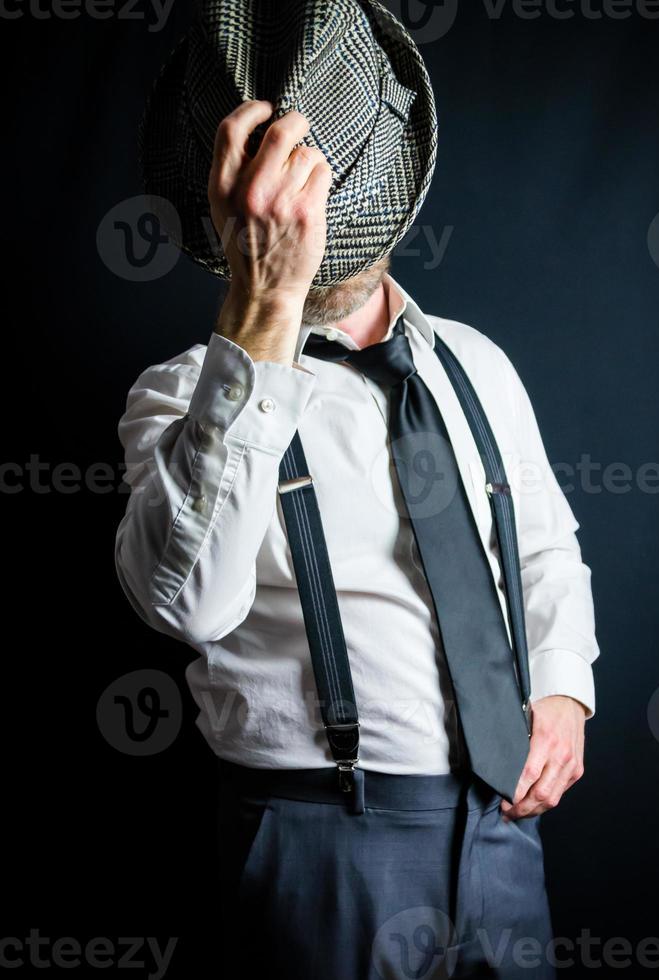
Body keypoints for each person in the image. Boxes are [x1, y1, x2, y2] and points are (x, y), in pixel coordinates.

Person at [116, 3, 599, 977]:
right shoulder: (180, 393)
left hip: (503, 827)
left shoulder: (475, 361)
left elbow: (542, 543)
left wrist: (562, 686)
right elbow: (183, 602)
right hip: (321, 836)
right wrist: (259, 317)